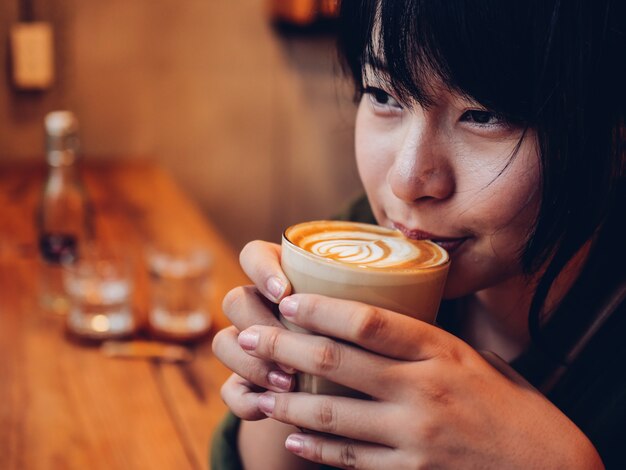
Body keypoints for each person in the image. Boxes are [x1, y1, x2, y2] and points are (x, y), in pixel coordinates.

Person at [211, 0, 626, 468]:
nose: (406, 181)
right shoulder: (372, 239)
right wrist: (285, 369)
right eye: (383, 95)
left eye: (483, 113)